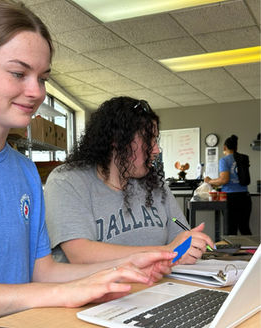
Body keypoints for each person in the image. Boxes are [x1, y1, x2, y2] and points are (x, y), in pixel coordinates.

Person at [0, 1, 177, 328]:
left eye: (42, 77)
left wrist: (125, 268)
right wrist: (55, 295)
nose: (37, 92)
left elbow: (43, 270)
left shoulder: (24, 169)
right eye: (19, 73)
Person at [44, 97, 215, 265]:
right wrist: (165, 252)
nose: (156, 149)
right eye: (149, 140)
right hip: (97, 290)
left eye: (156, 140)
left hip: (157, 286)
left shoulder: (155, 184)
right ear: (117, 141)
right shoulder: (67, 181)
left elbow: (179, 235)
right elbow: (80, 254)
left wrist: (189, 246)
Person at [205, 135, 252, 235]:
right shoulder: (243, 158)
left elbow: (224, 179)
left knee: (231, 231)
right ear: (236, 147)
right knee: (244, 229)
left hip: (231, 199)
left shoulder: (224, 160)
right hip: (245, 197)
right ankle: (253, 251)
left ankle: (231, 251)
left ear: (224, 148)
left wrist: (209, 181)